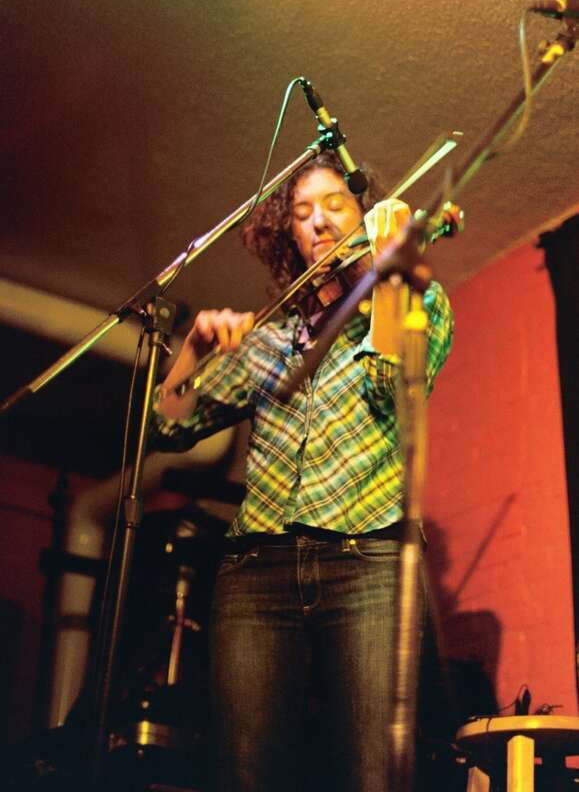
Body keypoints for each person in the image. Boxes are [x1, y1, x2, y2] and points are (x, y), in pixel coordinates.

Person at [149, 152, 454, 792]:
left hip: (366, 558)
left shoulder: (415, 301)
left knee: (375, 770)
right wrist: (193, 352)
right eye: (302, 212)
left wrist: (389, 278)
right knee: (244, 771)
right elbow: (170, 423)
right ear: (289, 234)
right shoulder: (269, 339)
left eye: (335, 205)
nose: (318, 221)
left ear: (365, 215)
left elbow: (385, 385)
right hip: (254, 570)